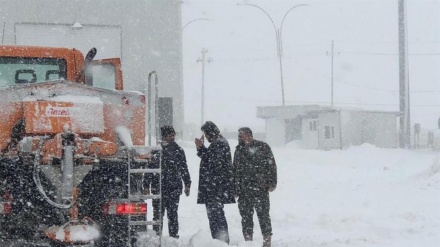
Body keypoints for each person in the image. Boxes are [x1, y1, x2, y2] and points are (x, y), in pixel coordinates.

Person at [143, 125, 191, 239]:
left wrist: (187, 184)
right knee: (157, 215)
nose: (172, 137)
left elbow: (184, 168)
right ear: (164, 136)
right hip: (158, 187)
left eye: (173, 134)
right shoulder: (155, 151)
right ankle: (156, 237)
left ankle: (173, 237)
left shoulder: (179, 150)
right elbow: (149, 170)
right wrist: (146, 185)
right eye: (170, 135)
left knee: (173, 214)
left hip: (173, 188)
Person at [233, 127, 277, 247]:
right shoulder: (239, 150)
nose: (239, 138)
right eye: (238, 136)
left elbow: (271, 165)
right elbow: (235, 169)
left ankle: (267, 241)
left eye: (241, 136)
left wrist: (272, 182)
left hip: (260, 188)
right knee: (246, 217)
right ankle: (248, 242)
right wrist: (235, 188)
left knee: (263, 216)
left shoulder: (262, 147)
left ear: (249, 135)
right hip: (244, 190)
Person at [194, 121, 235, 244]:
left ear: (212, 132)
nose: (206, 137)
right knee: (215, 216)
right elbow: (211, 159)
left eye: (206, 134)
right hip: (215, 188)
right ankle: (219, 241)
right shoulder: (219, 143)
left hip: (215, 189)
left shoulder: (219, 144)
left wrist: (201, 148)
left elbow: (213, 164)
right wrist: (201, 148)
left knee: (216, 217)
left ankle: (221, 241)